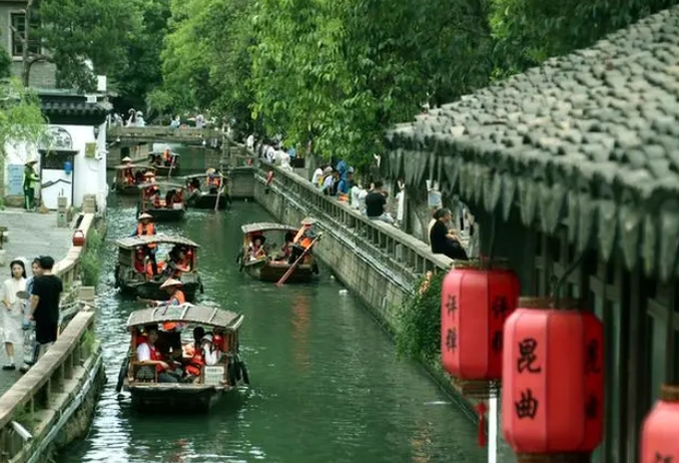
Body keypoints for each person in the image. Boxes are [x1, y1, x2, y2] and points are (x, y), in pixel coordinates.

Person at [29, 256, 63, 360]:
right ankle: (49, 359)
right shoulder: (58, 280)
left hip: (41, 315)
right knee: (51, 339)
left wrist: (31, 312)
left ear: (41, 266)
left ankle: (42, 361)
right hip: (53, 314)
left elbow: (35, 298)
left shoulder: (38, 281)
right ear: (52, 266)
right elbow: (59, 296)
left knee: (41, 340)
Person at [1, 260, 27, 370]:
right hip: (8, 314)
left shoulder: (27, 282)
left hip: (22, 313)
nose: (16, 271)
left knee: (24, 337)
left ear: (23, 269)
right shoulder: (7, 283)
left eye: (18, 268)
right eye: (14, 269)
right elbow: (2, 296)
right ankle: (11, 361)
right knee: (8, 336)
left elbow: (30, 297)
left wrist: (24, 305)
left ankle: (25, 361)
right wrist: (7, 303)